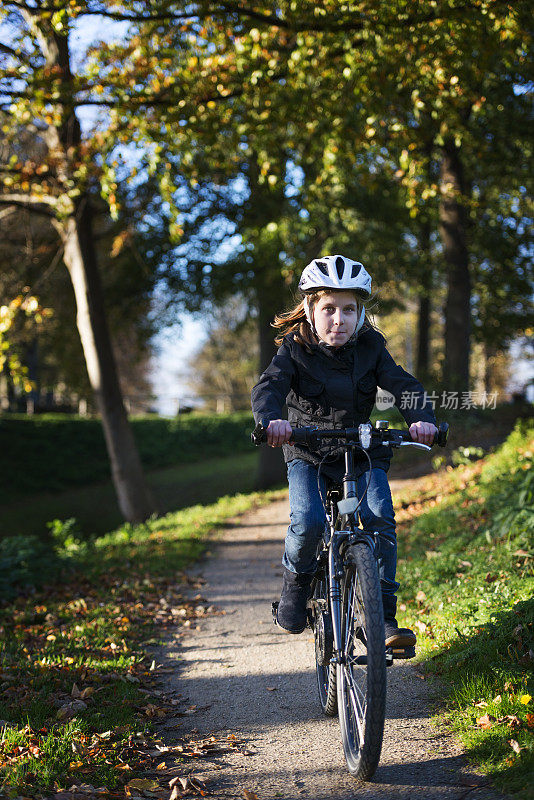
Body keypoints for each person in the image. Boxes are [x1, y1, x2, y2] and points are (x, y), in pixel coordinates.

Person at [251, 254, 437, 646]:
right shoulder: (294, 348)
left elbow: (402, 385)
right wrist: (272, 421)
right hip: (309, 451)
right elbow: (269, 387)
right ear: (309, 309)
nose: (339, 319)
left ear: (360, 312)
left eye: (349, 309)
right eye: (329, 309)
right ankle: (296, 588)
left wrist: (422, 419)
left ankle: (383, 617)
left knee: (380, 517)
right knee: (308, 521)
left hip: (360, 449)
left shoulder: (371, 346)